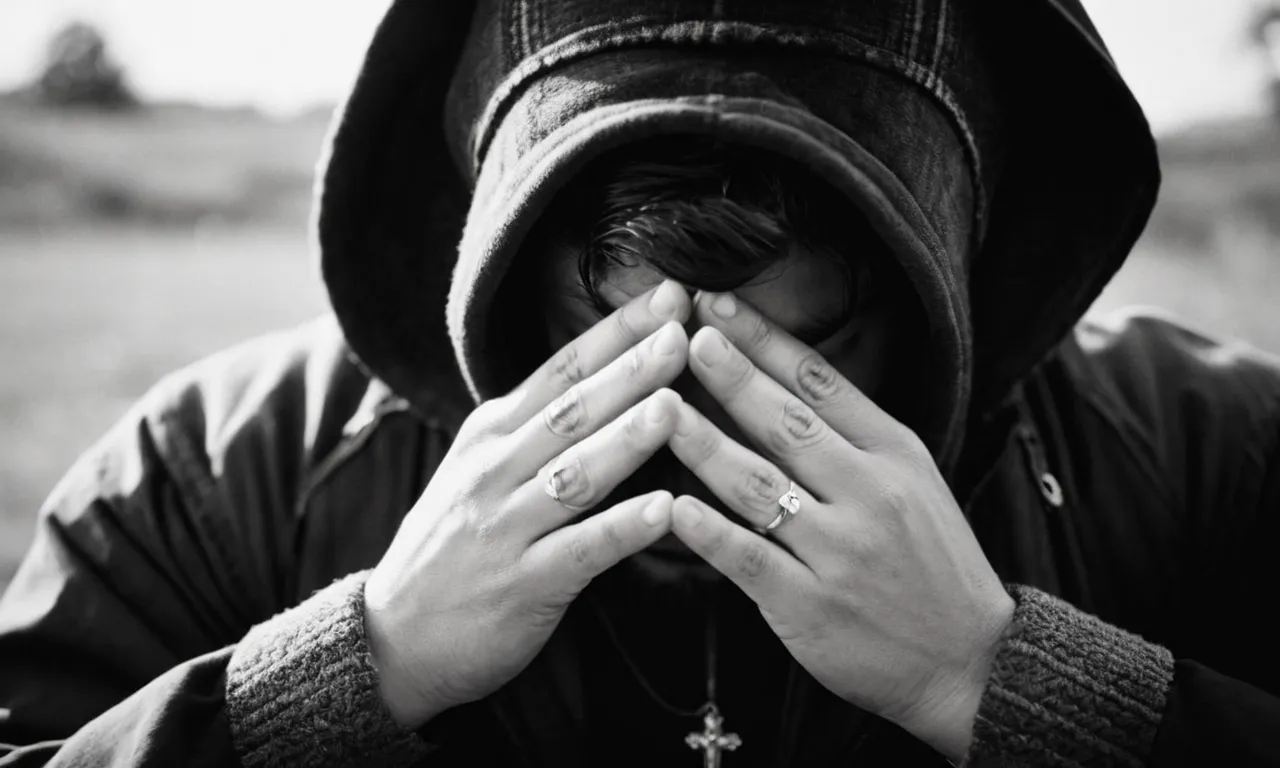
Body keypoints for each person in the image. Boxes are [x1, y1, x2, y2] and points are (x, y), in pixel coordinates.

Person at [2, 0, 1279, 765]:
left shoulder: (1215, 456)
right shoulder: (215, 473)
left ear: (950, 282)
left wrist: (1007, 686)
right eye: (610, 335)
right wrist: (355, 671)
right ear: (491, 262)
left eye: (795, 355)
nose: (682, 420)